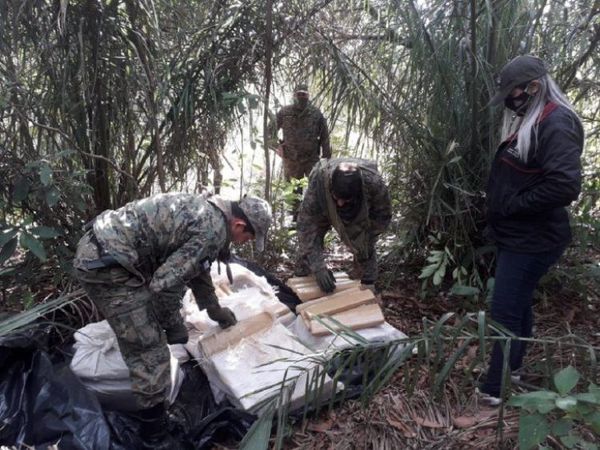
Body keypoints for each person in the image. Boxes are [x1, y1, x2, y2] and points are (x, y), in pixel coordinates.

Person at [73, 193, 271, 448]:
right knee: (151, 351)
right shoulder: (211, 230)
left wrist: (215, 311)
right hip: (106, 265)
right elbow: (163, 286)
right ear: (239, 225)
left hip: (108, 254)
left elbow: (197, 270)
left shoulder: (212, 215)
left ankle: (153, 414)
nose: (245, 243)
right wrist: (172, 325)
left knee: (148, 330)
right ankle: (154, 435)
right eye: (249, 238)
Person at [480, 55, 584, 404]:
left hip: (534, 238)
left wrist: (511, 206)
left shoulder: (557, 123)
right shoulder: (534, 118)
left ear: (534, 88)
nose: (511, 101)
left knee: (505, 309)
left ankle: (494, 388)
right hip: (519, 235)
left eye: (514, 93)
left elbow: (564, 186)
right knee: (518, 303)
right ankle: (515, 368)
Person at [295, 158, 392, 293]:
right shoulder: (318, 186)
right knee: (307, 251)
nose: (340, 203)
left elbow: (382, 217)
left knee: (364, 245)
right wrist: (318, 266)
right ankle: (301, 283)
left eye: (344, 200)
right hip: (324, 203)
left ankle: (366, 284)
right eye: (337, 198)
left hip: (356, 208)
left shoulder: (373, 183)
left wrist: (364, 242)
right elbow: (306, 227)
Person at [270, 83, 332, 219]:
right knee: (293, 194)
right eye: (299, 94)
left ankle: (315, 219)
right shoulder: (284, 112)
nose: (301, 97)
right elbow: (269, 131)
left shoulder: (316, 114)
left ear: (308, 95)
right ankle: (294, 221)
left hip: (311, 159)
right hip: (291, 160)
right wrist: (277, 146)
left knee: (316, 189)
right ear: (294, 95)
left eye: (303, 94)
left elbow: (324, 136)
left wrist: (326, 158)